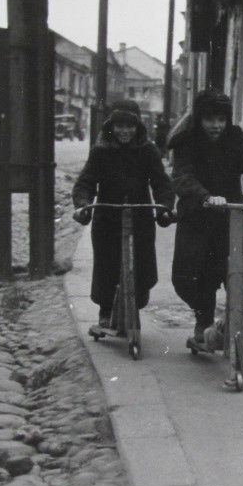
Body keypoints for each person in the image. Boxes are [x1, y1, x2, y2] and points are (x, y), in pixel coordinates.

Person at [167, 87, 243, 358]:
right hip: (198, 215)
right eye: (210, 119)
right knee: (194, 273)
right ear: (200, 119)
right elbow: (182, 177)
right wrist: (206, 197)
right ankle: (204, 324)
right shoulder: (186, 142)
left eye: (221, 119)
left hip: (231, 216)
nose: (216, 125)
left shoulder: (235, 138)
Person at [72, 100, 175, 336]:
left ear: (138, 127)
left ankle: (134, 306)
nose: (124, 131)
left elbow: (161, 183)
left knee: (142, 266)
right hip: (108, 217)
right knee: (107, 266)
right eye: (119, 126)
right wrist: (83, 205)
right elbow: (85, 183)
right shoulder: (100, 152)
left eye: (130, 126)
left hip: (140, 217)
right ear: (111, 126)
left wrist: (165, 207)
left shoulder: (148, 151)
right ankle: (105, 312)